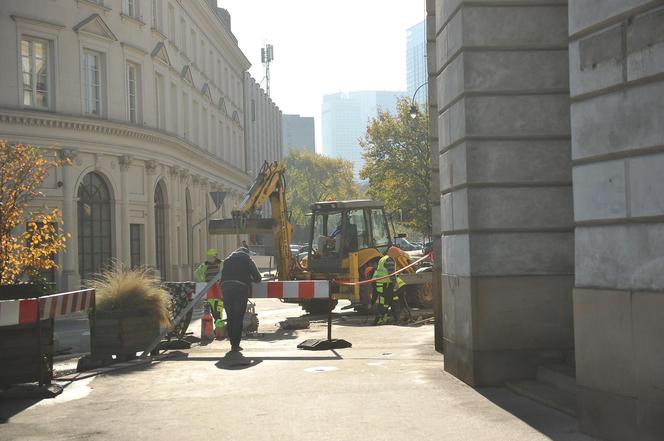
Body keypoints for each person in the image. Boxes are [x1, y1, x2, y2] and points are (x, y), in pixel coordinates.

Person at [220, 247, 262, 352]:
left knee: (230, 316)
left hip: (226, 288)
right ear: (246, 254)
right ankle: (235, 345)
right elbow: (258, 278)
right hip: (240, 288)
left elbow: (222, 276)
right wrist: (248, 278)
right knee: (238, 317)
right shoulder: (248, 260)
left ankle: (232, 342)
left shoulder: (227, 261)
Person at [372, 249, 405, 325]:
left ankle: (386, 318)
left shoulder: (383, 258)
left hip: (382, 284)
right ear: (393, 253)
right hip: (386, 284)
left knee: (391, 300)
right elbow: (391, 273)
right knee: (385, 303)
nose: (397, 257)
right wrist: (395, 284)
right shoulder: (389, 260)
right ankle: (381, 318)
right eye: (397, 255)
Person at [194, 249, 224, 321]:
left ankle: (218, 321)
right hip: (212, 287)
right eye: (209, 257)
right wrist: (203, 282)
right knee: (216, 305)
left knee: (217, 305)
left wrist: (203, 282)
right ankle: (218, 321)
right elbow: (196, 273)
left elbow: (196, 273)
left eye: (211, 257)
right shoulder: (206, 264)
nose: (210, 258)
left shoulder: (220, 263)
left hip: (215, 287)